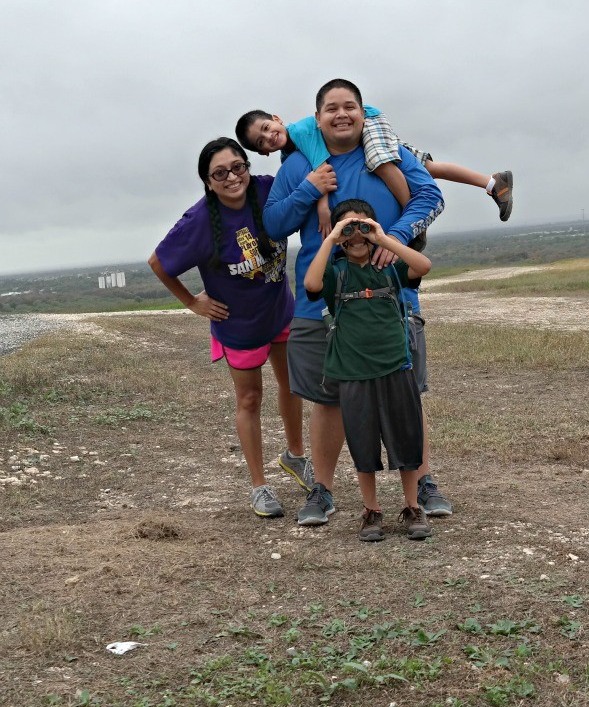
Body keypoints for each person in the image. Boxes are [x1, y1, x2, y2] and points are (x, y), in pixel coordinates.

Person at [262, 78, 451, 527]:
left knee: (406, 394)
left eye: (350, 107)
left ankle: (422, 483)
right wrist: (309, 187)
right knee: (327, 401)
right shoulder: (300, 164)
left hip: (391, 297)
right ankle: (322, 491)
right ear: (317, 117)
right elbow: (273, 223)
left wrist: (397, 236)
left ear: (365, 114)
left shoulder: (389, 156)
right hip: (321, 304)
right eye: (331, 108)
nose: (341, 114)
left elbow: (431, 196)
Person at [148, 138, 312, 518]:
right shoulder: (199, 221)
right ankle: (259, 485)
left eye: (238, 167)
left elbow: (307, 174)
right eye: (219, 173)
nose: (232, 177)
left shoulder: (269, 189)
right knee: (250, 399)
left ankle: (296, 456)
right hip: (237, 324)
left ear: (247, 166)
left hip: (280, 310)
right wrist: (192, 302)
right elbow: (159, 262)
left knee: (292, 385)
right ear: (208, 181)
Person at [304, 199, 433, 541]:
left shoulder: (389, 268)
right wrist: (331, 240)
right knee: (362, 442)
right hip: (354, 372)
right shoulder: (337, 273)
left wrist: (385, 239)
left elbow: (423, 265)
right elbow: (312, 284)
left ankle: (411, 506)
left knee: (406, 439)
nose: (356, 235)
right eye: (348, 228)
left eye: (363, 226)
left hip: (396, 365)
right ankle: (371, 509)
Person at [236, 105, 513, 236]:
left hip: (365, 120)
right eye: (261, 142)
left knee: (381, 162)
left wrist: (322, 207)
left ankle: (411, 220)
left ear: (276, 119)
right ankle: (492, 183)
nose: (269, 137)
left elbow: (321, 169)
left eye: (266, 128)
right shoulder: (290, 155)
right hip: (359, 124)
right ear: (263, 153)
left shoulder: (302, 132)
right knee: (426, 167)